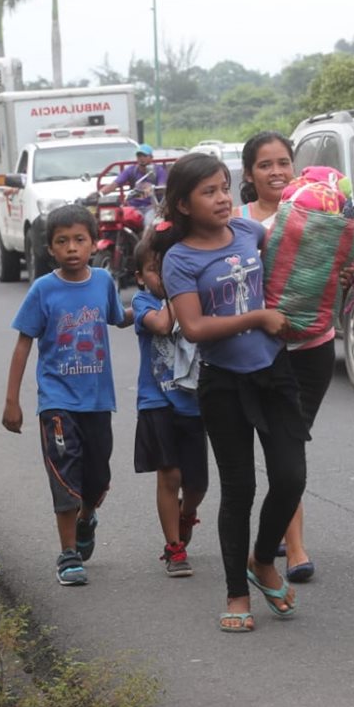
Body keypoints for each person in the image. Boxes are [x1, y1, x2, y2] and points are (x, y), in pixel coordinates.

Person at [155, 152, 301, 633]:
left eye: (224, 188)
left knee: (291, 477)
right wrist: (258, 317)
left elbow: (291, 269)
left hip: (274, 373)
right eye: (209, 192)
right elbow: (194, 328)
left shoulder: (249, 233)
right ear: (182, 205)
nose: (222, 198)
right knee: (239, 489)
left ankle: (262, 560)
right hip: (223, 385)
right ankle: (236, 594)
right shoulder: (178, 258)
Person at [2, 203, 133, 587]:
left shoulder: (104, 282)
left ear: (94, 243)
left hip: (97, 401)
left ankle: (86, 517)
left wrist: (149, 310)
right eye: (63, 241)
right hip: (57, 401)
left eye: (80, 239)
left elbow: (116, 317)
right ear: (51, 249)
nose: (72, 247)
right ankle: (68, 553)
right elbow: (23, 344)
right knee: (63, 476)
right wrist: (13, 400)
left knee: (96, 478)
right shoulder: (43, 290)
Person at [236, 132, 326, 583]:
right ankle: (291, 545)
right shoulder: (237, 223)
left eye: (284, 162)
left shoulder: (317, 210)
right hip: (262, 354)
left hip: (315, 349)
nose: (276, 172)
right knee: (283, 449)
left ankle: (282, 539)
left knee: (291, 444)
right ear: (249, 174)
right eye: (265, 165)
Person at [131, 234, 208, 578]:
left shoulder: (196, 300)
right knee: (170, 474)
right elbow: (162, 325)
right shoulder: (143, 303)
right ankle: (174, 547)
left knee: (198, 484)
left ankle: (186, 514)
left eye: (170, 269)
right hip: (156, 401)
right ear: (139, 277)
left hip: (193, 403)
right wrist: (179, 289)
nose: (162, 276)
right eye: (154, 270)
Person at [98, 143, 167, 214]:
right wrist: (99, 194)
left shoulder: (159, 171)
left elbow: (161, 188)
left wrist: (151, 190)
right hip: (133, 207)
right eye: (139, 155)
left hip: (151, 207)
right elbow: (115, 184)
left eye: (144, 156)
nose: (141, 158)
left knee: (149, 222)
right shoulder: (131, 170)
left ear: (151, 157)